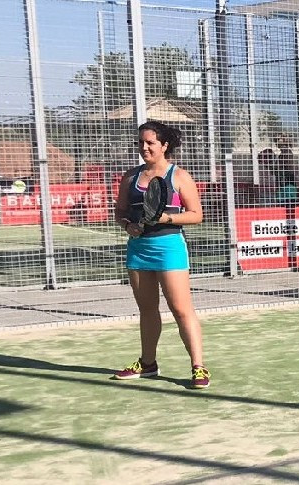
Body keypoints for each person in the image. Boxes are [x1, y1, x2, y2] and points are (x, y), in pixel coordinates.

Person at [113, 120, 211, 389]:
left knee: (181, 309)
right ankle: (148, 364)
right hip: (138, 250)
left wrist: (167, 217)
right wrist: (127, 226)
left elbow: (196, 215)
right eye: (140, 143)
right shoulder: (130, 177)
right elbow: (120, 212)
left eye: (150, 143)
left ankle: (198, 367)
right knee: (147, 310)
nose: (144, 147)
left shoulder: (179, 176)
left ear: (164, 145)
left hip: (169, 248)